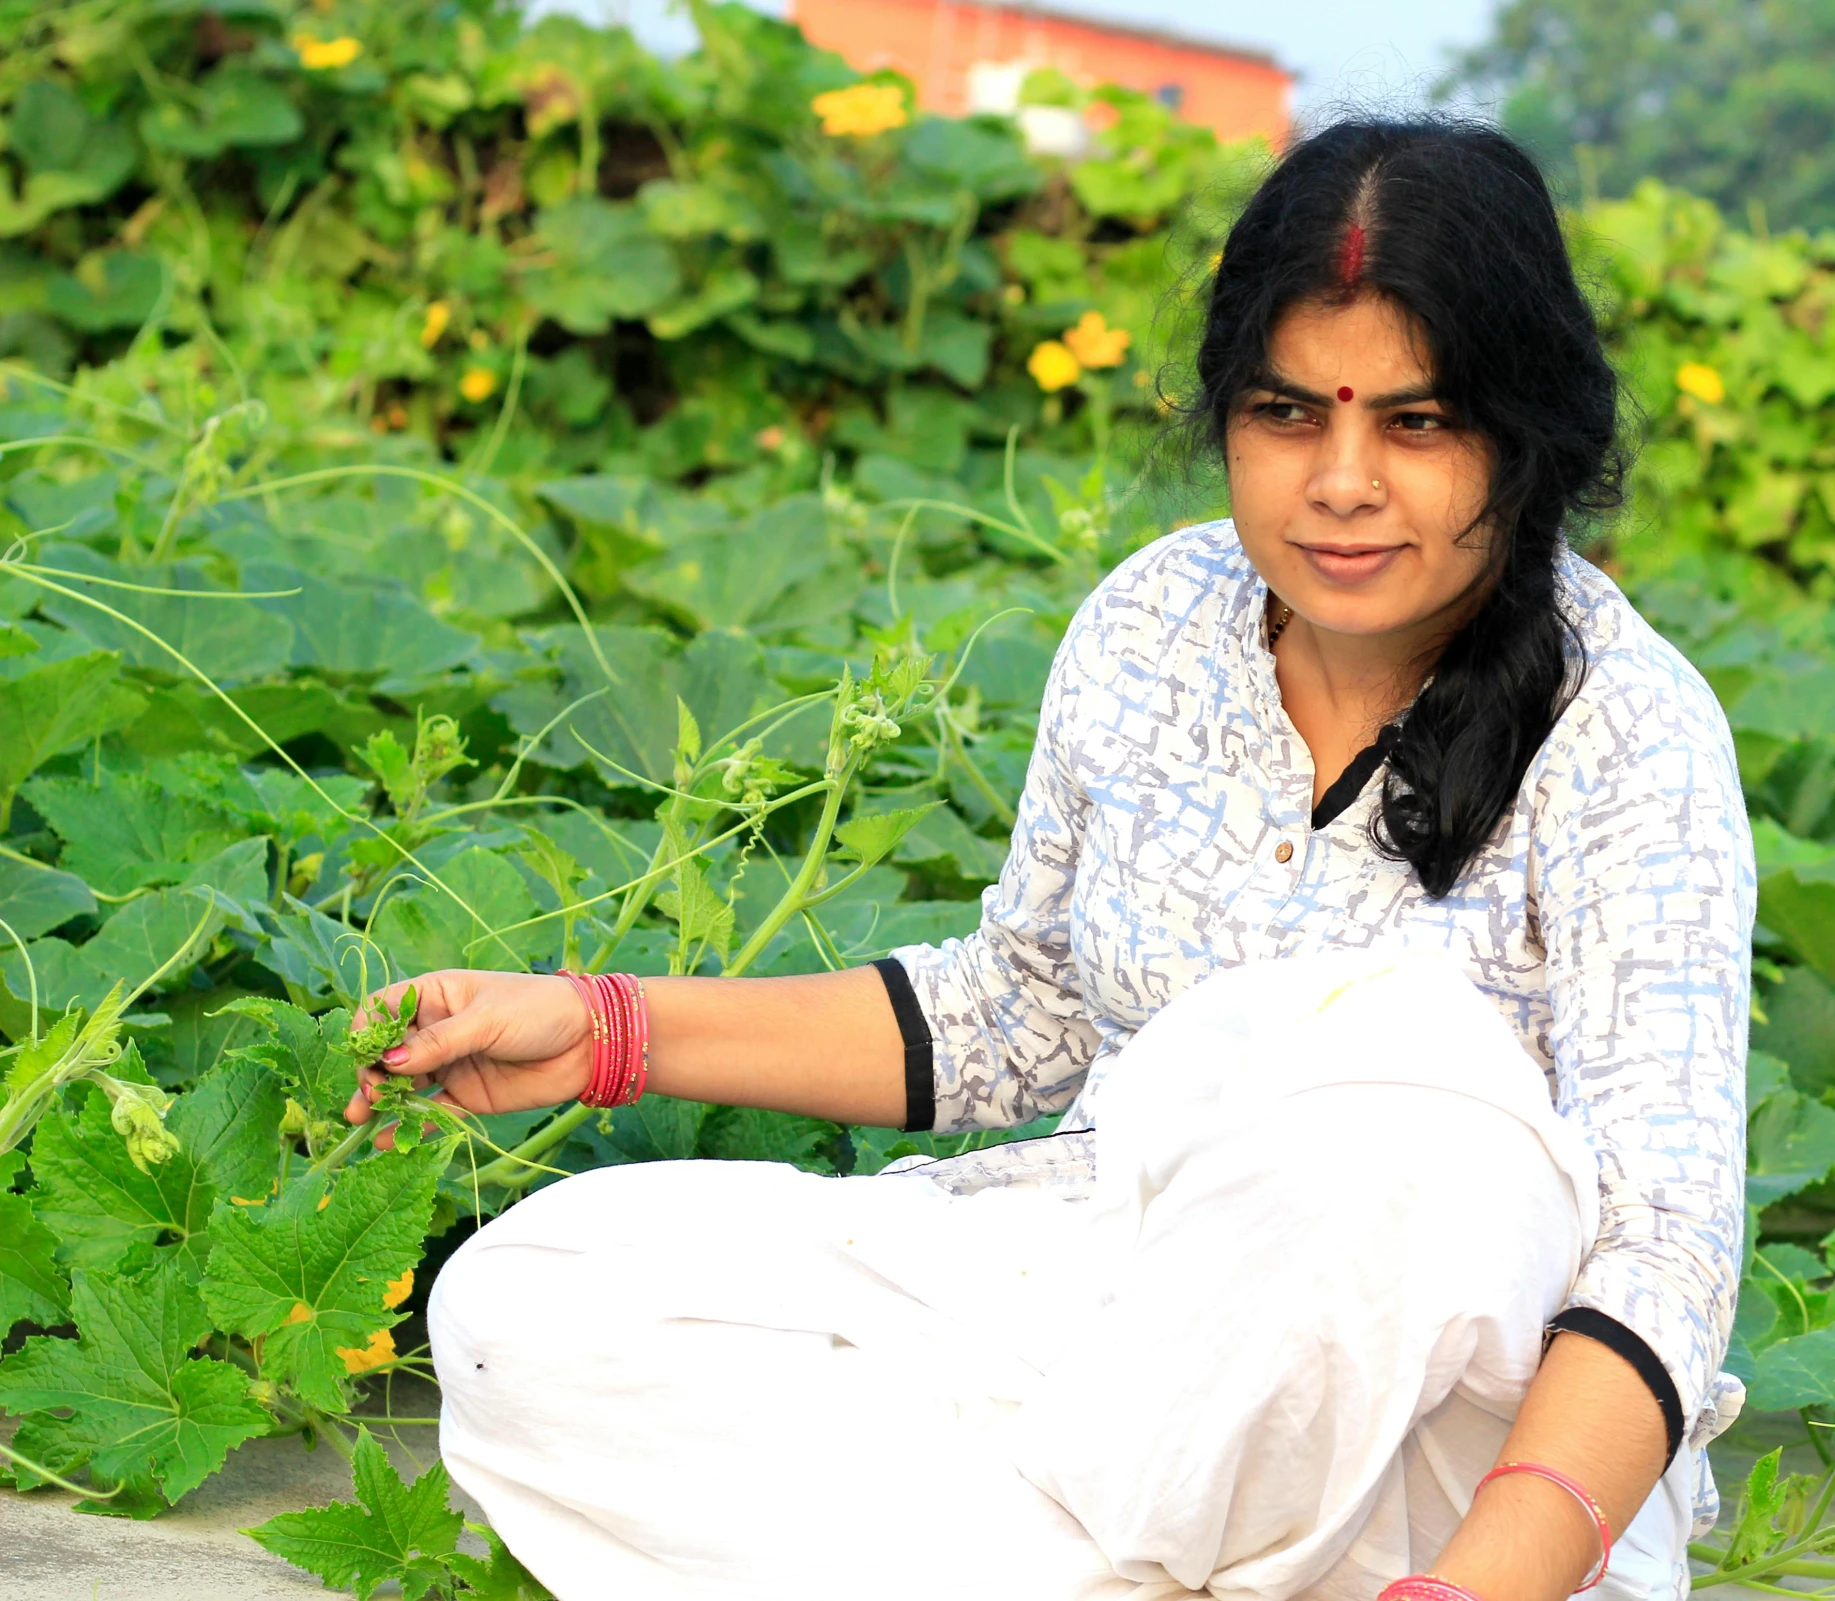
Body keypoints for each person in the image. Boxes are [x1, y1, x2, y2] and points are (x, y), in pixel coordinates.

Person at [347, 117, 1754, 1601]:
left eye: (1415, 423)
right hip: (1098, 1318)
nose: (1340, 482)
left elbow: (1660, 1248)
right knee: (536, 1299)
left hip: (1448, 1457)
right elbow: (1019, 1013)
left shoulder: (1627, 728)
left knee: (1400, 1107)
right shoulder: (1153, 624)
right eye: (1286, 416)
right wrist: (609, 1027)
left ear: (1522, 439)